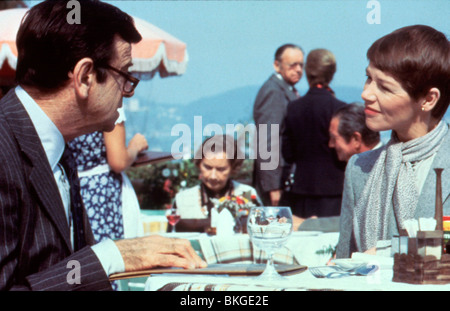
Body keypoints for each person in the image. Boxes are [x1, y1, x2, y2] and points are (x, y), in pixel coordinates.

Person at [0, 0, 205, 291]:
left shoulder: (59, 143)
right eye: (125, 76)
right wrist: (110, 256)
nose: (127, 93)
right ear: (85, 77)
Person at [336, 25, 450, 258]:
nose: (366, 93)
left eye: (385, 87)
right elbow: (345, 261)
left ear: (428, 99)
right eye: (368, 78)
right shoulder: (359, 169)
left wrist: (389, 253)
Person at [282, 49, 346, 219]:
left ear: (307, 73)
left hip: (302, 189)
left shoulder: (293, 108)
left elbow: (287, 152)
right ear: (331, 73)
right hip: (335, 189)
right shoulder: (340, 109)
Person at [68, 107, 149, 243]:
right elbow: (118, 162)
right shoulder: (108, 103)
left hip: (72, 188)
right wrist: (135, 146)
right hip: (104, 193)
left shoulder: (64, 102)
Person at [172, 135, 261, 232]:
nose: (213, 176)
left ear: (233, 168)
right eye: (207, 167)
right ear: (199, 164)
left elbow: (261, 229)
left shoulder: (247, 193)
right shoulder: (183, 199)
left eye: (221, 169)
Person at [253, 44, 304, 206]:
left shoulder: (287, 90)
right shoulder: (273, 92)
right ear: (277, 65)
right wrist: (273, 186)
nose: (298, 70)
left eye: (301, 65)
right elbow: (267, 139)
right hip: (277, 182)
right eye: (292, 65)